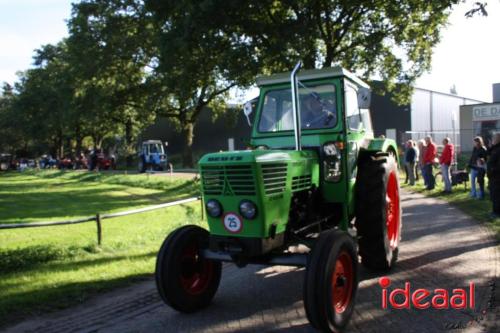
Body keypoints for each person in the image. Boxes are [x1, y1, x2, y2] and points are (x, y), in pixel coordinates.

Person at [487, 133, 500, 218]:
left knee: (497, 195)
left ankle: (497, 213)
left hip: (497, 177)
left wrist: (492, 170)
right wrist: (490, 146)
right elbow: (488, 153)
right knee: (493, 194)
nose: (493, 140)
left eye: (494, 138)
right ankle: (494, 211)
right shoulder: (495, 148)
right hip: (493, 177)